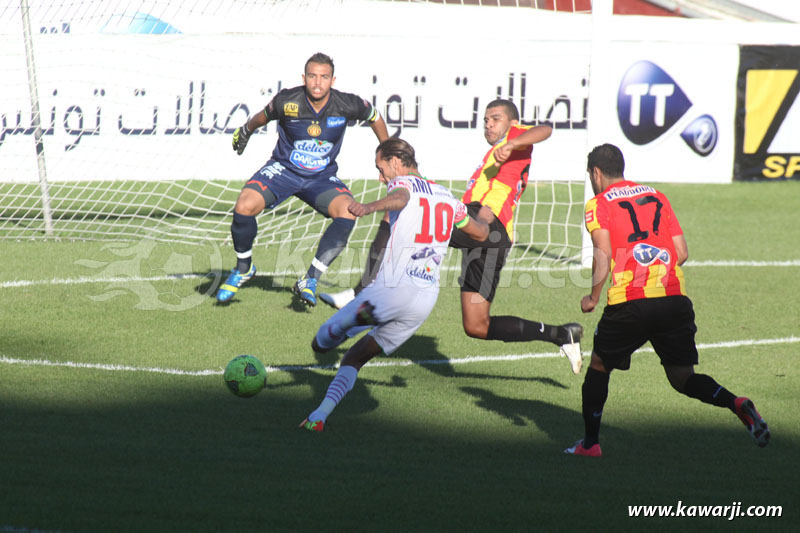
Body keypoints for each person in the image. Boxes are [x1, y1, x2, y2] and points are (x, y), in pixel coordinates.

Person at [320, 99, 583, 373]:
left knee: (405, 211)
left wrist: (512, 143)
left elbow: (545, 129)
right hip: (490, 237)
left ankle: (361, 293)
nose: (488, 124)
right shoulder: (493, 157)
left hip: (488, 223)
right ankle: (561, 334)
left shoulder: (515, 137)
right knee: (477, 325)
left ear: (512, 123)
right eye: (485, 120)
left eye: (495, 118)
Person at [565, 143, 770, 457]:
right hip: (674, 299)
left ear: (596, 173)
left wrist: (593, 296)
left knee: (599, 365)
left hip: (631, 301)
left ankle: (590, 445)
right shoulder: (657, 195)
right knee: (682, 378)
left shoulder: (598, 203)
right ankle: (735, 402)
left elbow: (602, 253)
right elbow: (682, 252)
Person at [299, 138, 490, 431]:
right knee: (355, 356)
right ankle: (319, 416)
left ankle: (349, 323)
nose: (381, 177)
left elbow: (401, 198)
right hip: (424, 301)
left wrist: (369, 206)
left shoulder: (403, 183)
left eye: (381, 168)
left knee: (321, 342)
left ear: (397, 163)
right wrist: (486, 218)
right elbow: (479, 234)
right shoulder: (449, 198)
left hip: (392, 291)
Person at [216, 52, 389, 306]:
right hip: (283, 171)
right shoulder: (287, 100)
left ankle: (310, 279)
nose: (318, 82)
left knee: (349, 211)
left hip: (321, 178)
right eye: (312, 76)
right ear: (304, 78)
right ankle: (244, 268)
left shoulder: (346, 104)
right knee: (244, 205)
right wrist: (246, 130)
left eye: (324, 77)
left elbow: (374, 116)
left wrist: (386, 155)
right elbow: (263, 116)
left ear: (332, 80)